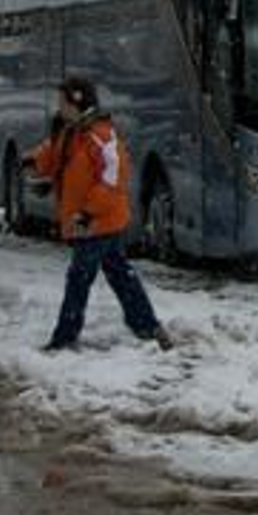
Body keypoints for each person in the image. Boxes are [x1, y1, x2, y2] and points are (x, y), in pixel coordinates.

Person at [23, 76, 173, 353]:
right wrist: (33, 161)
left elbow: (112, 180)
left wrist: (88, 214)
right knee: (119, 274)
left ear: (77, 102)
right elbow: (54, 152)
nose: (59, 107)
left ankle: (65, 338)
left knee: (79, 279)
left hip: (98, 222)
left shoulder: (101, 136)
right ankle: (148, 328)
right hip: (92, 221)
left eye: (63, 101)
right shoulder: (72, 130)